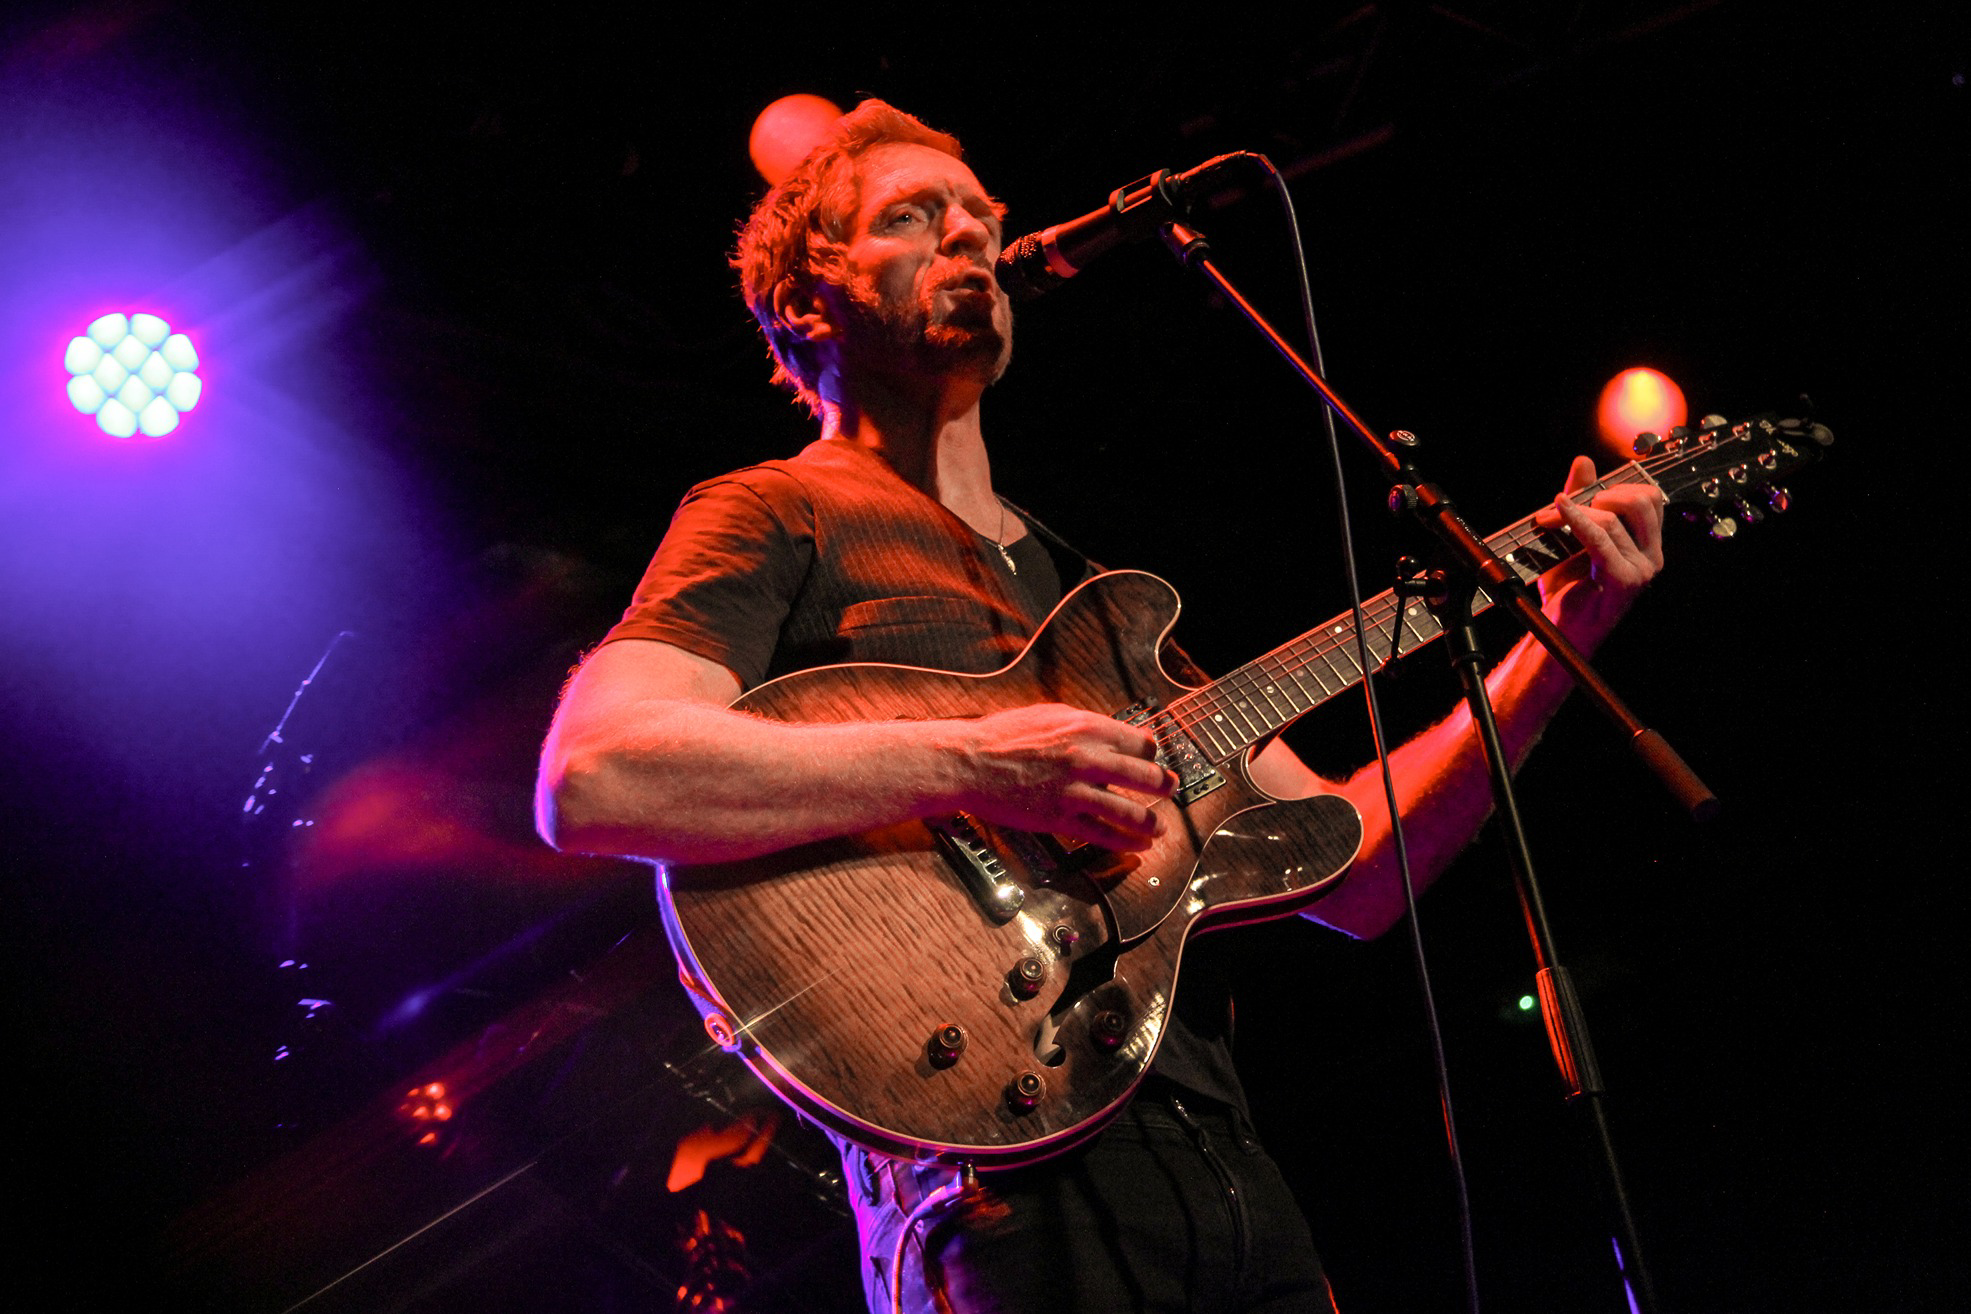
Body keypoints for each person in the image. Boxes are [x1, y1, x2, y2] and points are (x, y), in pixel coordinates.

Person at [535, 100, 1666, 1314]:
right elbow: (596, 772)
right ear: (808, 302)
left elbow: (1355, 873)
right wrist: (976, 766)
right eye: (912, 216)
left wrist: (1559, 638)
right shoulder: (770, 511)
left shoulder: (1097, 596)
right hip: (990, 1192)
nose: (967, 235)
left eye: (980, 216)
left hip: (1226, 1172)